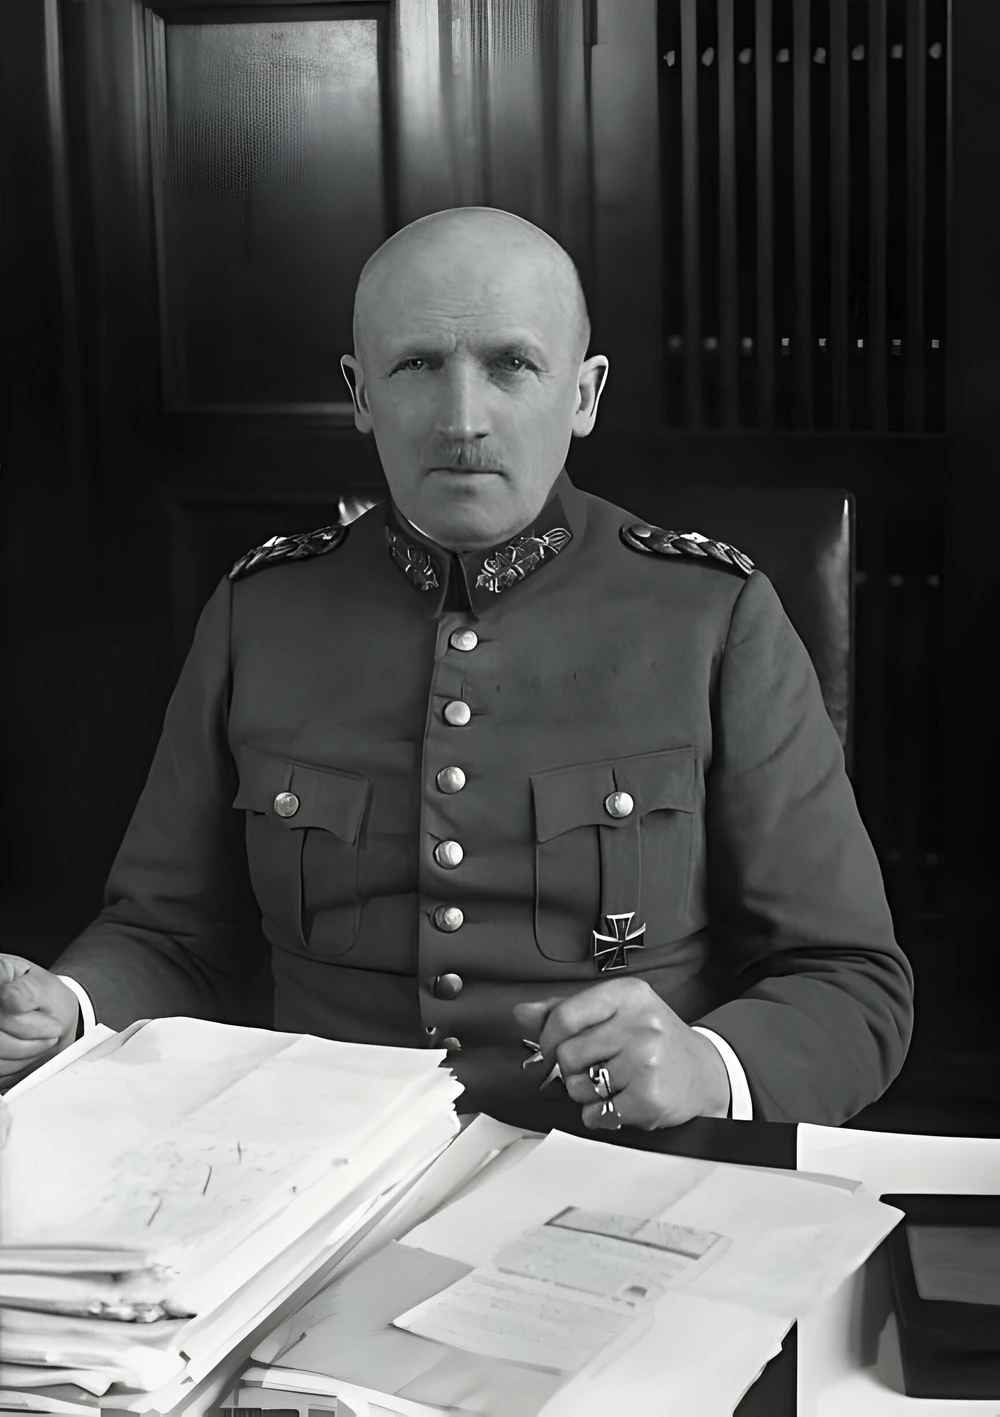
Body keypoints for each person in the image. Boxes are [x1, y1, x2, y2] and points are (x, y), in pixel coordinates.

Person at [0, 207, 913, 1130]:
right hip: (308, 1161)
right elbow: (171, 933)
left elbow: (850, 980)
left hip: (613, 1161)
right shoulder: (258, 612)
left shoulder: (714, 617)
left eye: (512, 365)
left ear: (585, 394)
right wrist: (66, 1009)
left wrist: (707, 1068)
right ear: (360, 393)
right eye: (417, 366)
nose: (463, 420)